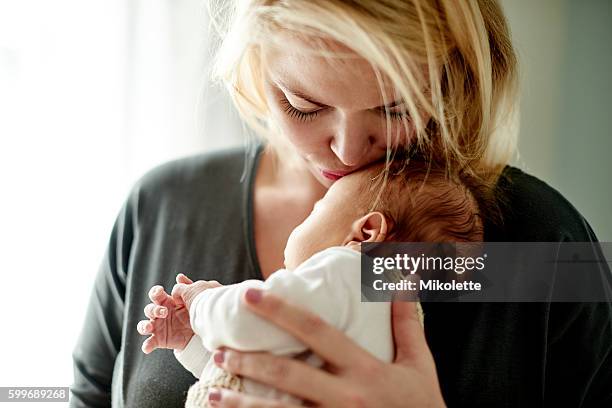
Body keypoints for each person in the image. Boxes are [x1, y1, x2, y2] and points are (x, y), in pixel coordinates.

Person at [69, 1, 612, 407]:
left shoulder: (547, 248)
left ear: (454, 82)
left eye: (395, 109)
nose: (347, 151)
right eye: (304, 106)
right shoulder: (161, 204)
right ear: (256, 71)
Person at [135, 157, 484, 407]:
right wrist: (191, 344)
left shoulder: (349, 270)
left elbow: (246, 320)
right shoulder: (391, 319)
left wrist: (201, 302)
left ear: (366, 232)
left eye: (318, 209)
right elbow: (247, 373)